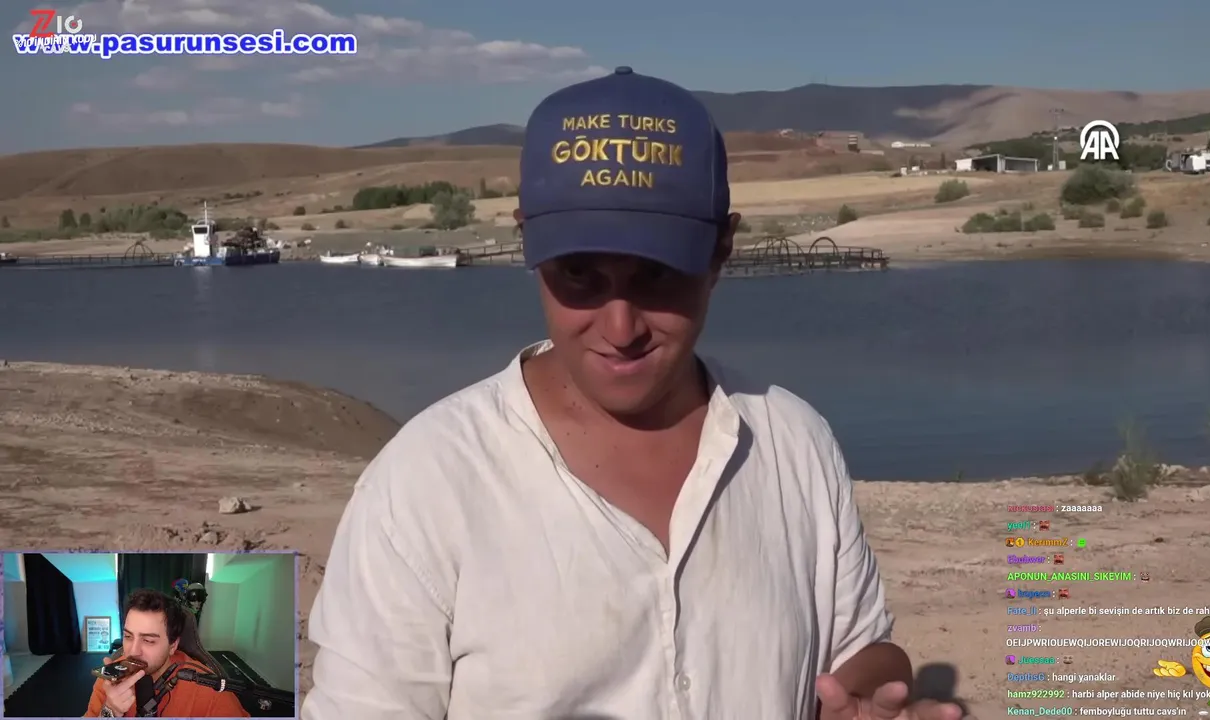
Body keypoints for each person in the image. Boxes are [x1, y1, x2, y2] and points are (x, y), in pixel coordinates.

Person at [303, 67, 963, 720]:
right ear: (526, 239)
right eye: (579, 274)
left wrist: (866, 700)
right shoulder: (425, 480)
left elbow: (865, 653)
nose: (620, 330)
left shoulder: (794, 442)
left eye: (657, 274)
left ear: (721, 250)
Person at [84, 589, 248, 718]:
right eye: (128, 636)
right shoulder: (110, 681)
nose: (132, 651)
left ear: (172, 645)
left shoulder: (209, 691)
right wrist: (110, 711)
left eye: (148, 640)